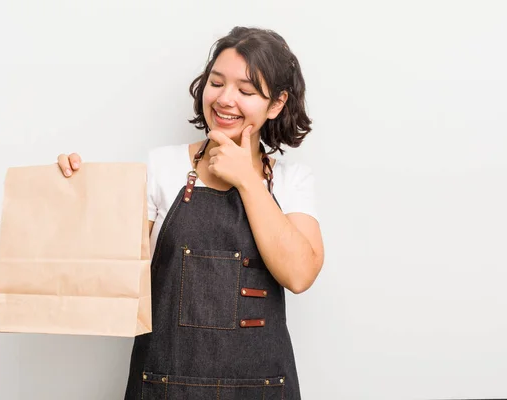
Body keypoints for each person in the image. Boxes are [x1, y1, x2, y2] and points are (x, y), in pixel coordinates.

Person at [57, 26, 324, 400]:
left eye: (246, 91)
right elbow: (112, 274)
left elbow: (299, 274)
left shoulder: (291, 180)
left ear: (276, 103)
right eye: (217, 83)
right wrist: (76, 191)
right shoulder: (161, 167)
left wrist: (247, 181)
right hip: (163, 387)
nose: (225, 99)